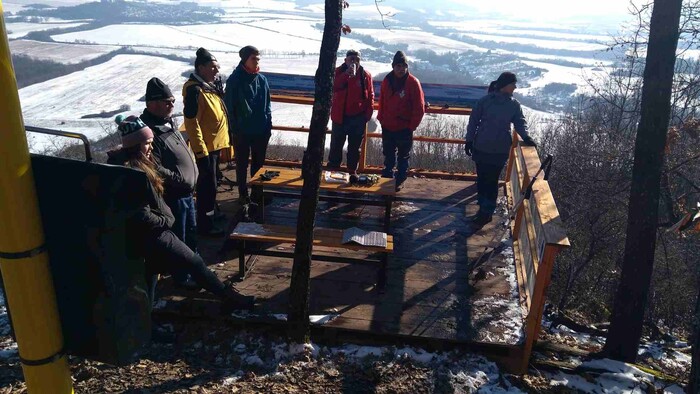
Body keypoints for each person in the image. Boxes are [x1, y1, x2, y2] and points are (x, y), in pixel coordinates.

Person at [107, 115, 255, 311]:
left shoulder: (142, 163)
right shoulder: (132, 172)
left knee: (150, 275)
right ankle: (228, 297)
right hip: (155, 233)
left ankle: (147, 319)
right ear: (135, 145)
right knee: (193, 261)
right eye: (147, 143)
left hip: (153, 232)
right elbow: (140, 214)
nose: (151, 147)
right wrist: (166, 219)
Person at [140, 77, 199, 289]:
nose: (172, 105)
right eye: (167, 102)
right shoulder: (149, 132)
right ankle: (181, 278)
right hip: (173, 196)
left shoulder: (167, 123)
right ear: (152, 104)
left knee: (190, 235)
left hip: (186, 194)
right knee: (179, 239)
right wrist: (180, 180)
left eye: (173, 100)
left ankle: (195, 270)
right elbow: (153, 168)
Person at [465, 71, 537, 226]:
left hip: (491, 147)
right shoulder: (494, 102)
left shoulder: (506, 104)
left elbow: (520, 123)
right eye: (513, 84)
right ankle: (484, 209)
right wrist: (469, 140)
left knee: (488, 180)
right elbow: (473, 121)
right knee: (484, 179)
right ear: (505, 85)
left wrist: (526, 137)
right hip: (490, 147)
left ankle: (486, 212)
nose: (515, 87)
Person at [182, 47, 229, 236]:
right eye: (212, 67)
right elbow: (192, 123)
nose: (216, 71)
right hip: (206, 149)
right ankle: (205, 225)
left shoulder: (208, 87)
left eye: (217, 67)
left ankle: (211, 214)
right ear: (201, 68)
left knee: (212, 184)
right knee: (206, 188)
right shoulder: (195, 90)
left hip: (214, 146)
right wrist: (200, 152)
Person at [223, 45, 272, 220]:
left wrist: (269, 124)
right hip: (242, 131)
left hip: (261, 129)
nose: (257, 61)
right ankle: (243, 194)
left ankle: (258, 194)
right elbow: (229, 106)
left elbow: (267, 104)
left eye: (258, 58)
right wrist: (234, 129)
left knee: (259, 164)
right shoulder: (235, 79)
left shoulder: (262, 79)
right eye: (253, 58)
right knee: (242, 164)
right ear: (245, 59)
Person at [377, 51, 425, 192]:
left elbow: (419, 107)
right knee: (388, 155)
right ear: (393, 66)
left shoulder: (413, 83)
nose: (401, 69)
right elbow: (382, 101)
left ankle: (400, 180)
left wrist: (412, 126)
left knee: (403, 156)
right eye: (398, 65)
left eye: (403, 66)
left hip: (405, 127)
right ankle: (387, 178)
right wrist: (381, 119)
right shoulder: (387, 80)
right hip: (388, 125)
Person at [328, 49, 374, 182]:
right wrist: (345, 75)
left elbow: (370, 95)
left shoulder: (365, 75)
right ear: (346, 60)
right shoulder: (337, 72)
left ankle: (352, 172)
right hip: (340, 116)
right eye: (351, 59)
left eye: (357, 59)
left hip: (358, 117)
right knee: (336, 146)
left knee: (354, 148)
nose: (354, 62)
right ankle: (333, 171)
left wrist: (367, 115)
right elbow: (332, 86)